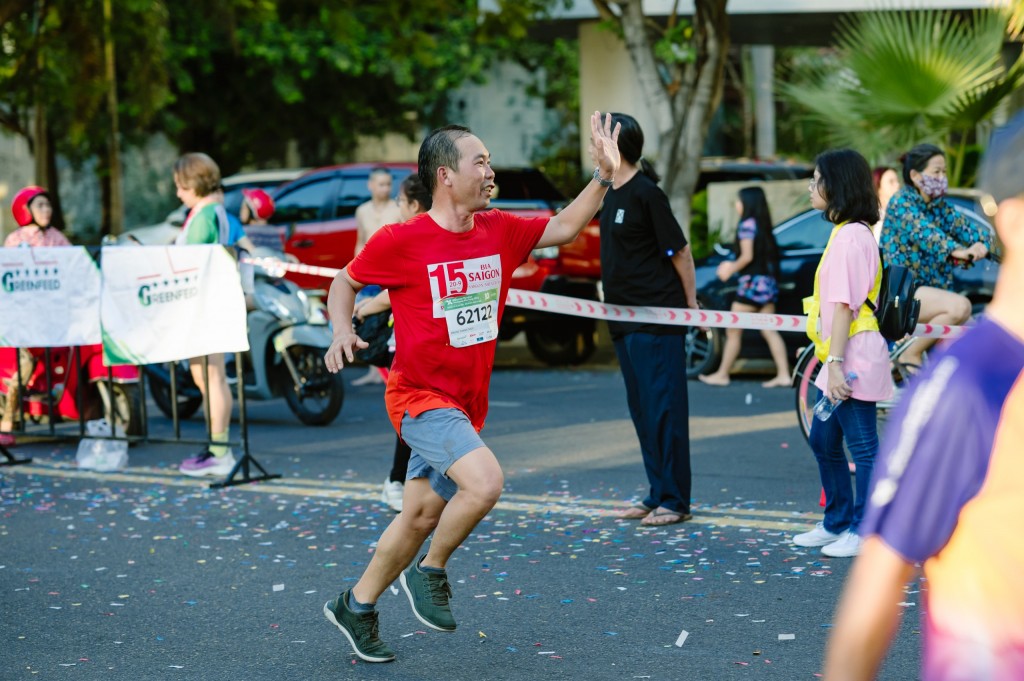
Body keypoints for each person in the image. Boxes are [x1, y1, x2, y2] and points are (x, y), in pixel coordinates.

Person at [321, 113, 620, 663]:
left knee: (417, 517)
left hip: (464, 404)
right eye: (478, 162)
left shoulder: (499, 230)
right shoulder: (401, 239)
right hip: (418, 398)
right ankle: (429, 571)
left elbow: (562, 227)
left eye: (488, 161)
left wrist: (602, 177)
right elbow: (346, 280)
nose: (489, 171)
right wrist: (342, 329)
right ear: (444, 176)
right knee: (484, 483)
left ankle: (356, 606)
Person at [822, 112, 1024, 681]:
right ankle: (907, 360)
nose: (938, 180)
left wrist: (970, 244)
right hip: (905, 299)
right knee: (955, 311)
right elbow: (875, 593)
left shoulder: (944, 207)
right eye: (933, 172)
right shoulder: (970, 386)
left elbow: (972, 235)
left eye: (944, 173)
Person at [596, 113, 697, 527]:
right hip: (623, 322)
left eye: (596, 140)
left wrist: (690, 306)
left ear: (615, 146)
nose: (590, 148)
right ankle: (657, 491)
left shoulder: (646, 194)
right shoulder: (607, 193)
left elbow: (681, 252)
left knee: (664, 410)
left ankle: (676, 499)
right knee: (642, 410)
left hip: (656, 321)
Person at [791, 148, 893, 559]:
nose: (811, 186)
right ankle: (837, 521)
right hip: (841, 356)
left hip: (852, 357)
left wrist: (833, 366)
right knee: (824, 439)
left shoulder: (852, 236)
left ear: (838, 185)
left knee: (862, 446)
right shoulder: (846, 232)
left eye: (817, 178)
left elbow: (843, 307)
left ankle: (862, 529)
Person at [352, 174, 432, 513]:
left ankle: (406, 481)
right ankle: (398, 480)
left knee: (422, 414)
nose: (397, 206)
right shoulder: (415, 235)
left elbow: (400, 287)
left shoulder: (412, 237)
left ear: (414, 205)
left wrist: (366, 308)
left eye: (400, 201)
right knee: (415, 413)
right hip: (415, 339)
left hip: (424, 338)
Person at [880, 144, 989, 370]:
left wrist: (982, 244)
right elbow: (926, 233)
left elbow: (973, 230)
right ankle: (910, 355)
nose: (942, 177)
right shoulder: (902, 202)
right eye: (936, 172)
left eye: (944, 172)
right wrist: (957, 250)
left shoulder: (939, 206)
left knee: (975, 340)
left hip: (932, 292)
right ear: (915, 176)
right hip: (903, 293)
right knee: (960, 308)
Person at [172, 152, 237, 478]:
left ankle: (219, 450)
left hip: (205, 306)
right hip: (212, 303)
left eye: (180, 186)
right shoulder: (215, 211)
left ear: (192, 183)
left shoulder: (204, 215)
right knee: (209, 377)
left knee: (211, 377)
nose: (178, 193)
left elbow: (189, 265)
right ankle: (217, 447)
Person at [1, 186, 72, 447]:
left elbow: (74, 266)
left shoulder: (57, 238)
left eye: (48, 205)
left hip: (57, 314)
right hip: (27, 318)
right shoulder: (16, 240)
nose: (46, 210)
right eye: (40, 205)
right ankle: (7, 422)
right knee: (23, 368)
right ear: (25, 211)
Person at [699, 186, 789, 388]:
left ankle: (722, 374)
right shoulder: (762, 224)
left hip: (751, 286)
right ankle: (784, 374)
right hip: (766, 284)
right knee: (770, 330)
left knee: (733, 331)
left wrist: (730, 269)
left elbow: (747, 256)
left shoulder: (747, 225)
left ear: (747, 203)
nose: (737, 205)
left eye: (738, 201)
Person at [351, 168, 404, 387]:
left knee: (391, 319)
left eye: (388, 184)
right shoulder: (362, 211)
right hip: (369, 273)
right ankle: (374, 369)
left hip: (391, 273)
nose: (385, 188)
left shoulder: (398, 209)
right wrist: (355, 271)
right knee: (368, 321)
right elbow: (360, 240)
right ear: (370, 185)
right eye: (381, 184)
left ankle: (392, 367)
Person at [870, 166, 900, 243]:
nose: (897, 185)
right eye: (891, 182)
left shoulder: (902, 213)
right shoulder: (870, 219)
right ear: (878, 186)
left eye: (897, 181)